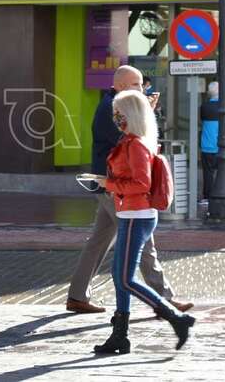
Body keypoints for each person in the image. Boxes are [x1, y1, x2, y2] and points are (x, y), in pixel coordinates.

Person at [66, 65, 192, 314]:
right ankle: (164, 299)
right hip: (116, 186)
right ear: (122, 85)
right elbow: (131, 142)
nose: (143, 89)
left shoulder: (116, 104)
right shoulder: (114, 107)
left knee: (99, 240)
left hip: (111, 184)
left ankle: (77, 295)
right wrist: (146, 111)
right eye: (137, 84)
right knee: (143, 241)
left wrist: (145, 110)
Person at [93, 90, 195, 355]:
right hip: (130, 214)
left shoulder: (136, 144)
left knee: (125, 279)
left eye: (120, 113)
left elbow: (142, 183)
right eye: (114, 113)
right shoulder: (131, 141)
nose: (115, 118)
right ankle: (119, 336)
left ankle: (176, 318)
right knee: (119, 277)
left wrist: (109, 184)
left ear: (131, 115)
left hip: (137, 216)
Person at [200, 81, 219, 205]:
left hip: (207, 145)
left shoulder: (205, 106)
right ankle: (219, 194)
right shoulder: (224, 106)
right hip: (220, 146)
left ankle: (207, 196)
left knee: (208, 173)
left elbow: (201, 120)